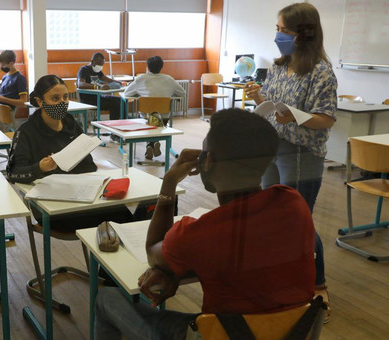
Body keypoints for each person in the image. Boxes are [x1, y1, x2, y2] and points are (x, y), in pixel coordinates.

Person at [94, 108, 316, 339]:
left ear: (207, 160)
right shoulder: (293, 202)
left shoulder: (198, 235)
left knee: (106, 299)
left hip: (226, 334)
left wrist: (169, 182)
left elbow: (154, 252)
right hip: (292, 331)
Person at [245, 3, 336, 322]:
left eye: (283, 30)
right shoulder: (280, 66)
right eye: (277, 29)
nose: (277, 36)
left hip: (302, 154)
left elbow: (326, 119)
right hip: (274, 148)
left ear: (304, 33)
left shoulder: (321, 71)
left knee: (299, 221)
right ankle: (281, 280)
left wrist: (295, 116)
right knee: (273, 215)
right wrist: (258, 97)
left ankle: (318, 285)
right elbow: (271, 106)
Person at [6, 74, 136, 231]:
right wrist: (40, 168)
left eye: (65, 97)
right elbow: (13, 173)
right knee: (123, 217)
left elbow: (88, 165)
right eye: (55, 98)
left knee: (126, 212)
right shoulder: (26, 131)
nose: (62, 103)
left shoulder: (70, 123)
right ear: (40, 102)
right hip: (50, 207)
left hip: (80, 195)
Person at [123, 56, 186, 159]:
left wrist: (139, 95)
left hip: (146, 118)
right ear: (161, 66)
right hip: (163, 118)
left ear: (148, 67)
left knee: (150, 119)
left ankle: (150, 144)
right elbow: (183, 93)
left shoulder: (141, 79)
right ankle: (153, 143)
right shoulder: (169, 79)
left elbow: (127, 93)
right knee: (157, 120)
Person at [77, 52, 123, 143]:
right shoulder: (84, 69)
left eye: (102, 65)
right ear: (92, 61)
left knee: (121, 101)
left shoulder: (97, 71)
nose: (100, 66)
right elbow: (80, 84)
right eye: (98, 64)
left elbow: (107, 80)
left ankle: (121, 130)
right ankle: (114, 134)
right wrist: (97, 87)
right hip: (88, 100)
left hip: (98, 98)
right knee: (114, 104)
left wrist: (118, 82)